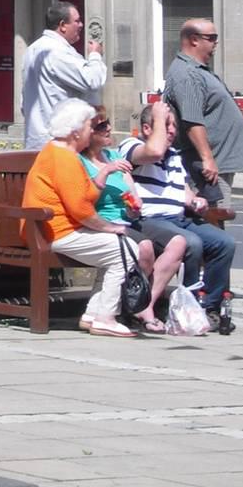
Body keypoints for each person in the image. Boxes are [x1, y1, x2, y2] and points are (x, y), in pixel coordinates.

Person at [21, 99, 152, 337]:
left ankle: (93, 314)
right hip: (55, 232)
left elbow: (85, 194)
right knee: (127, 250)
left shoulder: (59, 151)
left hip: (53, 229)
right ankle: (106, 317)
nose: (91, 131)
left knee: (117, 249)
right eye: (89, 126)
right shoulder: (63, 158)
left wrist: (103, 174)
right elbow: (81, 210)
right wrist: (110, 227)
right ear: (75, 132)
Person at [118, 101, 237, 333]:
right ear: (147, 129)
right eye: (166, 125)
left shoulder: (173, 155)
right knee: (192, 242)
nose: (172, 130)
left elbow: (181, 190)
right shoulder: (131, 146)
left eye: (174, 125)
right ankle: (184, 308)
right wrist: (158, 114)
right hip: (148, 220)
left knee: (224, 243)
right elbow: (153, 152)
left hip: (178, 219)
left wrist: (195, 200)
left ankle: (208, 306)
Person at [80, 109, 185, 333]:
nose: (109, 128)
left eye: (108, 123)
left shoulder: (114, 156)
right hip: (99, 222)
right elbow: (83, 201)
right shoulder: (80, 161)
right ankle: (124, 308)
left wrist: (134, 206)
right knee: (144, 248)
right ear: (87, 132)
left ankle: (143, 305)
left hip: (125, 221)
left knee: (178, 243)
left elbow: (132, 195)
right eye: (102, 126)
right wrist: (105, 172)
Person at [162, 19, 243, 210]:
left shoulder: (199, 70)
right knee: (212, 216)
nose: (215, 43)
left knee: (216, 216)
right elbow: (192, 120)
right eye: (211, 38)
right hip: (209, 168)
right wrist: (208, 159)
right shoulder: (187, 74)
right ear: (194, 39)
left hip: (218, 163)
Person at [20, 2, 107, 150]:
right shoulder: (56, 52)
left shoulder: (32, 49)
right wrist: (95, 55)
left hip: (36, 138)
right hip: (59, 141)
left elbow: (24, 101)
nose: (81, 25)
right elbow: (92, 80)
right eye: (77, 21)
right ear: (62, 25)